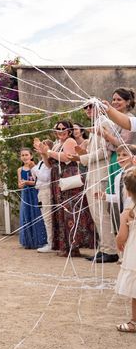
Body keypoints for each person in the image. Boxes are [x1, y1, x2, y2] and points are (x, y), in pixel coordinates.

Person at [34, 121, 95, 257]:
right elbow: (49, 164)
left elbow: (66, 158)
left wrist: (48, 151)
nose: (61, 131)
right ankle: (65, 247)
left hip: (69, 179)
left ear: (69, 131)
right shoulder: (56, 144)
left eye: (63, 128)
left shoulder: (70, 141)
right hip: (58, 180)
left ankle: (74, 247)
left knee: (70, 212)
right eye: (58, 129)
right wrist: (44, 153)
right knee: (61, 213)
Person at [67, 103, 118, 263]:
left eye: (91, 106)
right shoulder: (95, 125)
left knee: (102, 214)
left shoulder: (105, 123)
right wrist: (83, 154)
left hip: (101, 175)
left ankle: (111, 250)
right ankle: (104, 248)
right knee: (96, 215)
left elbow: (106, 150)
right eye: (85, 107)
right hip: (93, 174)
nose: (88, 110)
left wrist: (82, 158)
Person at [114, 166, 136, 333]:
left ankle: (134, 322)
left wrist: (119, 243)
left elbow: (122, 237)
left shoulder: (128, 213)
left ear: (128, 192)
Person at [17, 148, 47, 249]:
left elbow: (36, 182)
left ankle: (39, 240)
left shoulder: (35, 166)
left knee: (37, 214)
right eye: (22, 155)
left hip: (34, 193)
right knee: (27, 215)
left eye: (26, 155)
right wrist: (22, 184)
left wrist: (27, 182)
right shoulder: (20, 170)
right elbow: (19, 184)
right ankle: (29, 241)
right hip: (25, 194)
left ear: (31, 156)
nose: (24, 157)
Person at [32, 139, 56, 253]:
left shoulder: (49, 162)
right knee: (45, 217)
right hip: (40, 191)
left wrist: (33, 168)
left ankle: (51, 243)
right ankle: (50, 241)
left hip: (46, 190)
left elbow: (45, 177)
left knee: (48, 218)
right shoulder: (41, 162)